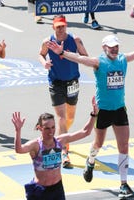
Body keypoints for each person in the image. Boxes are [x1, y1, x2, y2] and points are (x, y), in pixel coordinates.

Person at [47, 25, 134, 199]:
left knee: (124, 146)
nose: (114, 49)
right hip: (103, 110)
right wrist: (62, 53)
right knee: (98, 144)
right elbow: (79, 58)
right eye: (111, 47)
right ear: (104, 48)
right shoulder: (98, 62)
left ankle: (123, 184)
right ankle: (90, 161)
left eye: (116, 46)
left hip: (120, 109)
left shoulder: (123, 59)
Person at [12, 97, 98, 200]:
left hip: (57, 190)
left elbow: (85, 132)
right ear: (40, 128)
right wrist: (18, 130)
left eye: (53, 127)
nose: (51, 131)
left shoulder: (60, 141)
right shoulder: (36, 145)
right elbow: (19, 149)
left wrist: (94, 114)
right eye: (47, 128)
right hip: (40, 191)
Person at [38, 15, 88, 168]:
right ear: (53, 27)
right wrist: (44, 63)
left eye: (63, 26)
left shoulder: (75, 39)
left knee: (69, 117)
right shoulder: (47, 41)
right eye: (58, 26)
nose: (60, 29)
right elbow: (41, 54)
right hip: (55, 82)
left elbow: (86, 56)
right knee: (61, 117)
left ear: (66, 26)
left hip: (72, 81)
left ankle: (62, 134)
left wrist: (70, 55)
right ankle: (64, 152)